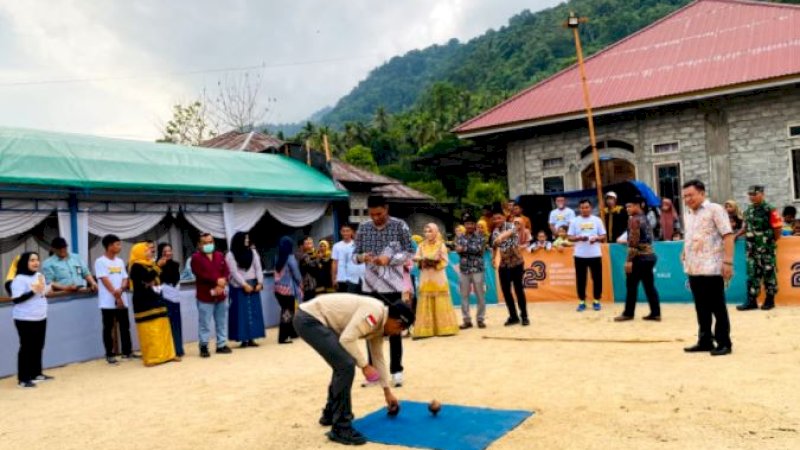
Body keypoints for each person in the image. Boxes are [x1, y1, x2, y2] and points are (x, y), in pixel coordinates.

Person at [293, 293, 414, 446]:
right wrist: (364, 365)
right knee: (346, 365)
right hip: (309, 320)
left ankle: (330, 413)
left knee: (342, 364)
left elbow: (378, 358)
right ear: (397, 323)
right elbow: (347, 339)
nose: (397, 334)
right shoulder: (374, 314)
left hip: (313, 319)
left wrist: (387, 391)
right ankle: (341, 427)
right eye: (400, 330)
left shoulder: (380, 325)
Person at [353, 195, 413, 387]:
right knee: (371, 328)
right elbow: (354, 255)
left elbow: (410, 251)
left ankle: (396, 371)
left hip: (392, 284)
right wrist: (363, 257)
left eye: (379, 213)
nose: (376, 218)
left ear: (386, 209)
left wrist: (390, 259)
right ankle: (374, 372)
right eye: (372, 215)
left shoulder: (399, 226)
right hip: (369, 286)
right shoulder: (363, 228)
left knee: (394, 327)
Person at [682, 179, 734, 356]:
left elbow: (728, 235)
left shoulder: (716, 209)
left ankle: (724, 342)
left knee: (717, 307)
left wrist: (728, 262)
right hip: (694, 267)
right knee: (701, 307)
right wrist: (684, 253)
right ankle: (704, 340)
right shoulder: (688, 213)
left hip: (712, 267)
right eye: (685, 196)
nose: (687, 199)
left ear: (702, 193)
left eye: (691, 195)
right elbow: (690, 237)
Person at [128, 242, 179, 366]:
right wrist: (158, 266)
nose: (150, 252)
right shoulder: (135, 266)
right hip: (144, 302)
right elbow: (147, 278)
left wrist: (157, 267)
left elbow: (157, 279)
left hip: (157, 299)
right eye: (147, 250)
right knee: (150, 331)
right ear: (139, 252)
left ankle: (168, 355)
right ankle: (153, 358)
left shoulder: (150, 264)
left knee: (163, 327)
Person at [10, 252, 54, 388]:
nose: (36, 263)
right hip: (25, 318)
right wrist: (33, 291)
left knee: (38, 346)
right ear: (25, 262)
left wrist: (47, 289)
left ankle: (36, 374)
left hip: (40, 316)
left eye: (37, 260)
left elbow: (42, 292)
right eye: (32, 260)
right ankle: (23, 379)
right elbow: (16, 299)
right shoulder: (19, 279)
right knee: (26, 347)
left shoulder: (40, 275)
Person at [615, 197, 661, 321]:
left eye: (630, 206)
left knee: (631, 286)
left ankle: (628, 313)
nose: (628, 209)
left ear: (638, 205)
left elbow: (633, 242)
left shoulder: (633, 220)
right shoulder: (646, 218)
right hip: (650, 256)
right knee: (649, 286)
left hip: (639, 257)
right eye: (626, 207)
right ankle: (656, 313)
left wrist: (629, 261)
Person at [737, 185, 782, 311]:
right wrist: (736, 235)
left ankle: (770, 300)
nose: (751, 197)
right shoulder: (749, 210)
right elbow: (745, 227)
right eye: (750, 195)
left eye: (754, 194)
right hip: (751, 249)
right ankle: (751, 301)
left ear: (762, 194)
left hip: (766, 248)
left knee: (768, 272)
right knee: (752, 273)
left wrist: (771, 241)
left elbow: (778, 228)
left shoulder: (769, 209)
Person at [412, 223, 459, 338]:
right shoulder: (421, 245)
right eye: (426, 231)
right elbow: (415, 257)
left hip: (438, 276)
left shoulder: (440, 245)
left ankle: (444, 328)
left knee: (440, 299)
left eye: (430, 231)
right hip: (426, 275)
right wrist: (422, 260)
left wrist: (434, 263)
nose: (427, 233)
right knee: (425, 299)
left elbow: (445, 260)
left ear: (435, 232)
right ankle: (426, 330)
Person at [191, 233, 232, 358]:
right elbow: (200, 274)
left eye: (211, 242)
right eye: (205, 243)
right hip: (205, 296)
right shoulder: (196, 258)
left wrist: (222, 282)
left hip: (220, 295)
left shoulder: (219, 255)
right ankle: (203, 346)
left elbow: (227, 271)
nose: (209, 245)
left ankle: (221, 344)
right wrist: (217, 281)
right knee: (205, 323)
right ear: (199, 244)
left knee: (221, 321)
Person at [95, 234, 134, 365]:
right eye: (117, 244)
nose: (119, 247)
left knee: (125, 326)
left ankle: (127, 352)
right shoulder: (100, 261)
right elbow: (104, 279)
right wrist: (115, 293)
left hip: (122, 299)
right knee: (108, 328)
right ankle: (110, 354)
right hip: (107, 302)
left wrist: (122, 289)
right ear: (109, 246)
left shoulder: (120, 261)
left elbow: (124, 277)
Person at [490, 205, 529, 326]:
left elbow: (512, 231)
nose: (497, 220)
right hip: (504, 265)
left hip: (517, 263)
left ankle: (524, 316)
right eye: (495, 219)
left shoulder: (512, 226)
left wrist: (501, 237)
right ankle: (513, 316)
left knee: (519, 290)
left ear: (504, 218)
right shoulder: (495, 231)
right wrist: (493, 257)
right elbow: (495, 245)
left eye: (499, 218)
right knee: (506, 291)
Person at [226, 232, 265, 348]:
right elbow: (233, 272)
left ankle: (252, 338)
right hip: (239, 287)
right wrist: (244, 284)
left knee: (254, 312)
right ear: (239, 240)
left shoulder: (252, 252)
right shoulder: (230, 255)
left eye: (248, 238)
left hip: (253, 284)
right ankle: (243, 339)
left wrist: (260, 282)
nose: (247, 240)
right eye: (245, 238)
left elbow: (258, 268)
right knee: (241, 313)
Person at [568, 199, 607, 312]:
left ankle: (596, 300)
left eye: (586, 207)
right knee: (581, 279)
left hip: (595, 254)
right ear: (579, 209)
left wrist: (596, 238)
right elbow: (570, 237)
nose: (584, 209)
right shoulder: (574, 221)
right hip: (580, 255)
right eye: (582, 207)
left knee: (597, 278)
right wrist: (578, 238)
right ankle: (582, 301)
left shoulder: (597, 220)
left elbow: (603, 235)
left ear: (590, 208)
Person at [454, 212, 487, 329]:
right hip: (464, 269)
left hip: (478, 269)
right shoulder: (459, 237)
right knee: (464, 295)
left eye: (472, 224)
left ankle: (480, 319)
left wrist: (464, 249)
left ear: (475, 225)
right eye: (467, 224)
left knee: (480, 295)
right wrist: (465, 249)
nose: (469, 226)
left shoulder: (481, 236)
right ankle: (466, 320)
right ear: (464, 225)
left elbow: (479, 250)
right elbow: (457, 249)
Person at [274, 236, 303, 344]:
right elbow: (296, 272)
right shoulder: (290, 257)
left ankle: (292, 332)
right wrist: (301, 282)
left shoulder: (277, 257)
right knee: (288, 313)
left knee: (286, 311)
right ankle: (283, 337)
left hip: (278, 289)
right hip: (289, 289)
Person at [157, 243, 184, 357]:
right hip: (163, 296)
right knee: (166, 323)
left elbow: (177, 279)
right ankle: (168, 350)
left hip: (175, 295)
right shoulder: (156, 265)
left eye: (170, 250)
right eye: (165, 251)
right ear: (160, 252)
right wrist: (158, 266)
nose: (168, 253)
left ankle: (178, 349)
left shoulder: (175, 264)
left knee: (176, 322)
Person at [332, 224, 363, 294]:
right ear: (340, 232)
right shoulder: (336, 246)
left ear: (352, 232)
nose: (345, 233)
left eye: (348, 231)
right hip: (341, 278)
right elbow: (334, 263)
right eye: (344, 231)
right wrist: (334, 278)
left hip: (354, 279)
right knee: (342, 301)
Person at [298, 236, 322, 302]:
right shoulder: (304, 255)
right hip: (308, 282)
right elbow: (310, 265)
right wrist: (318, 259)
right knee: (309, 300)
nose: (308, 245)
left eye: (310, 243)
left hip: (309, 282)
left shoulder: (308, 254)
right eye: (306, 243)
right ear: (302, 246)